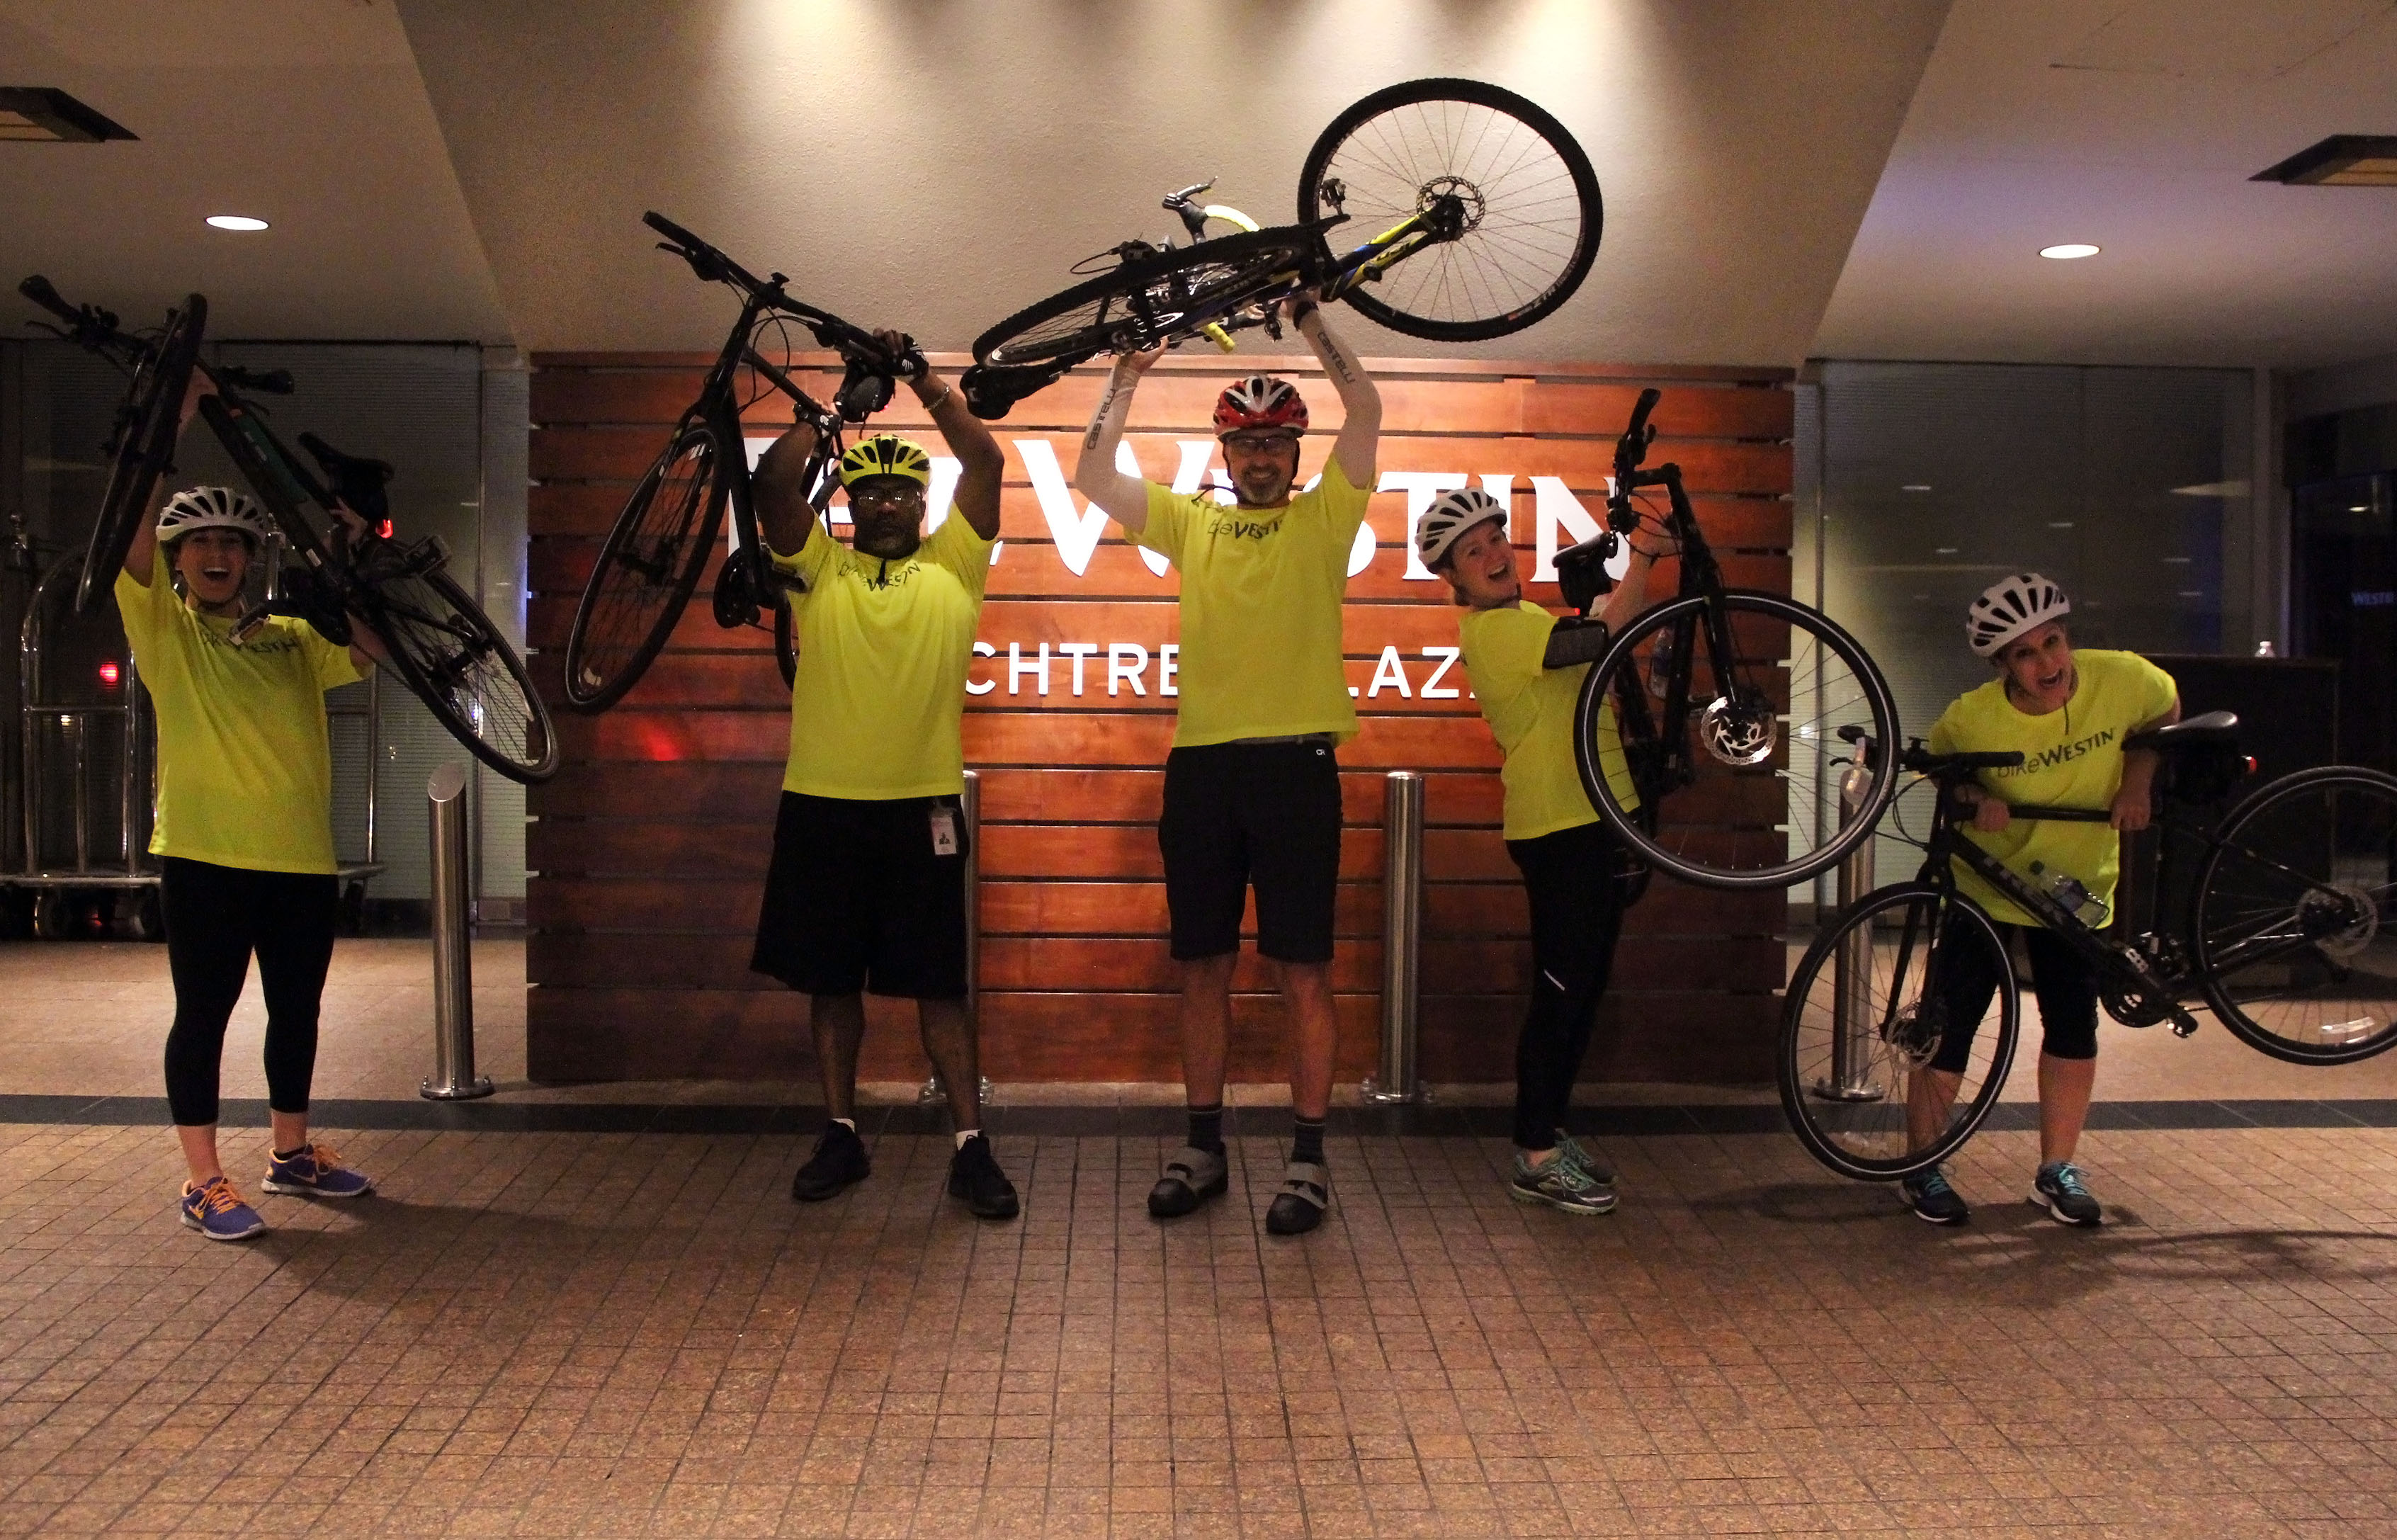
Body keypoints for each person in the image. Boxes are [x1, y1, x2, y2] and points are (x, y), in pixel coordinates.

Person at [1072, 294, 1380, 1236]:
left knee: (1303, 973)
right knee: (1201, 967)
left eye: (1275, 444)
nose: (1259, 457)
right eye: (1244, 444)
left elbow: (1364, 410)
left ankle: (1309, 1158)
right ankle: (1203, 1145)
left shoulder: (1327, 520)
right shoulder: (1191, 524)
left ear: (1294, 455)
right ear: (1224, 453)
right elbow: (1091, 471)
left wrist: (1314, 321)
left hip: (1297, 773)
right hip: (1202, 770)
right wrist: (1128, 375)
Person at [750, 332, 1019, 1220]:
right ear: (854, 505)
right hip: (822, 806)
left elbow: (984, 454)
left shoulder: (956, 561)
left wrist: (923, 381)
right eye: (873, 493)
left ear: (922, 500)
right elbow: (769, 490)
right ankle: (841, 1130)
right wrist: (835, 412)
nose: (890, 502)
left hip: (922, 810)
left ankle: (971, 1145)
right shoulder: (817, 567)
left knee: (940, 985)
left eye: (905, 489)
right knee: (833, 983)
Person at [121, 388, 384, 1242]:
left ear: (250, 556)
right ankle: (202, 1180)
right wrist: (176, 425)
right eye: (199, 541)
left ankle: (291, 1150)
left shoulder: (290, 636)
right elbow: (129, 543)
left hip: (302, 860)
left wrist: (363, 541)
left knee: (297, 1012)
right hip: (202, 857)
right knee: (203, 1014)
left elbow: (372, 649)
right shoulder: (167, 632)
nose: (217, 552)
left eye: (231, 540)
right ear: (178, 558)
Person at [1902, 572, 2177, 1228]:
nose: (2047, 663)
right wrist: (1976, 801)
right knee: (1949, 1026)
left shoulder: (2124, 677)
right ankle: (1921, 1165)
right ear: (2004, 666)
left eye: (2052, 643)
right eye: (2025, 654)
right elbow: (1939, 774)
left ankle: (2057, 1170)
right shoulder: (1971, 717)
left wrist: (2136, 781)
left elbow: (2163, 712)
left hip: (2076, 894)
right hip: (1988, 891)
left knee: (2073, 1030)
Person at [1417, 487, 1659, 1214]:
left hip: (1596, 821)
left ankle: (1550, 1128)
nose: (1493, 554)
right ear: (1453, 578)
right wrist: (1644, 555)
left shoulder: (1523, 616)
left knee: (1581, 991)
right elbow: (1593, 641)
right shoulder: (1494, 630)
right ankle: (1534, 1152)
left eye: (1496, 538)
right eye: (1473, 551)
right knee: (1559, 994)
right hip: (1558, 828)